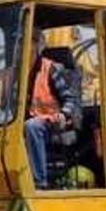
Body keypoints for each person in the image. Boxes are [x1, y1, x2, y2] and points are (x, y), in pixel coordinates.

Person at [25, 30, 80, 189]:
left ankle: (39, 182)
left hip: (52, 123)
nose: (26, 47)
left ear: (37, 46)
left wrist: (64, 114)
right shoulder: (16, 72)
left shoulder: (50, 69)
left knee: (32, 126)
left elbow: (70, 99)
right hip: (24, 121)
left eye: (30, 42)